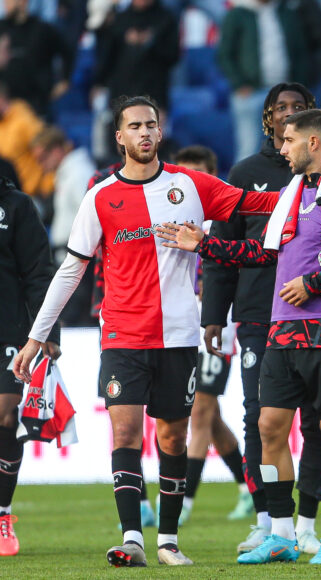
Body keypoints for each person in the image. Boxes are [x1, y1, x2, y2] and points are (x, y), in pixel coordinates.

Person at [12, 94, 278, 567]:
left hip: (178, 335)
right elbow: (70, 271)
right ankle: (133, 537)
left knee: (173, 438)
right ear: (119, 137)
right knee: (126, 431)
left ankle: (169, 541)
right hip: (122, 336)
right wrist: (37, 335)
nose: (144, 133)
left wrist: (318, 185)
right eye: (134, 126)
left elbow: (259, 204)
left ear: (160, 131)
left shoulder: (190, 185)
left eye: (151, 125)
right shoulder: (100, 197)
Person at [157, 109, 321, 566]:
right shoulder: (291, 195)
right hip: (283, 330)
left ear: (314, 144)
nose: (280, 149)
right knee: (267, 427)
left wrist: (316, 283)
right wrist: (203, 244)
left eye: (288, 141)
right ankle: (281, 533)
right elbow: (262, 254)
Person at [200, 82, 321, 556]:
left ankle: (309, 522)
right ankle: (266, 519)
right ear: (267, 119)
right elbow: (224, 249)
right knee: (260, 419)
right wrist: (214, 313)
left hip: (319, 313)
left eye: (299, 108)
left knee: (318, 420)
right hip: (259, 314)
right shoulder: (245, 173)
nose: (289, 115)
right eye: (281, 109)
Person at [169, 145, 252, 527]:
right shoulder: (168, 214)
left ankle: (184, 500)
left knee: (200, 408)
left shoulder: (221, 215)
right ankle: (248, 487)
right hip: (179, 321)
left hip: (219, 320)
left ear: (211, 175)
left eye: (197, 173)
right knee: (210, 413)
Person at [0, 175, 60, 557]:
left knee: (5, 416)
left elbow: (39, 271)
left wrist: (48, 332)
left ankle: (2, 513)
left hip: (8, 330)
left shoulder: (17, 205)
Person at [217, 0, 321, 162]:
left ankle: (288, 187)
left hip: (285, 93)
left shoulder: (286, 12)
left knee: (292, 148)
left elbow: (300, 52)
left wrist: (299, 86)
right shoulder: (237, 14)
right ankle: (243, 187)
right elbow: (225, 54)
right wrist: (239, 84)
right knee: (248, 150)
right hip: (250, 93)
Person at [29, 126, 96, 264]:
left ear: (56, 150)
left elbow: (92, 217)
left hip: (79, 260)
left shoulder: (79, 173)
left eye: (42, 158)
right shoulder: (66, 174)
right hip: (70, 257)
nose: (41, 165)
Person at [0, 0, 74, 117]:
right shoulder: (2, 28)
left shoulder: (42, 29)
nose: (5, 4)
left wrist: (65, 81)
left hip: (37, 106)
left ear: (23, 2)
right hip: (6, 108)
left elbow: (67, 52)